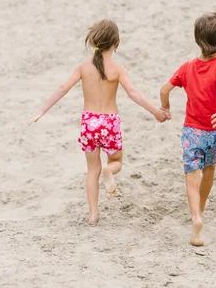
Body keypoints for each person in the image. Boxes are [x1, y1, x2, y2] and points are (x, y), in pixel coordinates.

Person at [29, 19, 168, 225]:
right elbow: (134, 93)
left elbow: (62, 89)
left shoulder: (83, 68)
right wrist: (156, 111)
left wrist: (42, 110)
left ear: (93, 41)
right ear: (117, 43)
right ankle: (109, 172)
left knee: (92, 170)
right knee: (115, 162)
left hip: (89, 122)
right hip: (110, 122)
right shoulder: (118, 69)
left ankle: (93, 214)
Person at [159, 8, 216, 246]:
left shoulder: (186, 67)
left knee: (192, 175)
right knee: (209, 169)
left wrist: (166, 107)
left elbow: (164, 90)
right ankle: (202, 207)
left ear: (197, 40)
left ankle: (196, 219)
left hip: (192, 131)